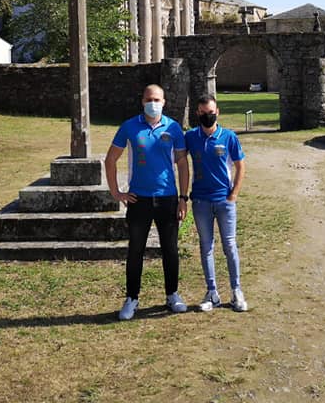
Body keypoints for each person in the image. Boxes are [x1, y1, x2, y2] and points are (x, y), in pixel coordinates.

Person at [104, 84, 190, 321]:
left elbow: (182, 163)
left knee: (170, 250)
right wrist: (117, 193)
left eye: (157, 99)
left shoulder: (173, 127)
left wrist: (183, 198)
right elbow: (111, 159)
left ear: (164, 102)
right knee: (135, 251)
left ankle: (172, 294)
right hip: (138, 199)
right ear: (142, 101)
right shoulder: (130, 126)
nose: (153, 103)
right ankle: (132, 298)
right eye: (149, 99)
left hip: (168, 198)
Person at [185, 93, 248, 312]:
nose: (207, 117)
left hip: (224, 200)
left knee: (229, 245)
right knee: (206, 247)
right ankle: (212, 292)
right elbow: (179, 159)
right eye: (203, 114)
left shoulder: (229, 137)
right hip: (201, 201)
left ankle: (236, 290)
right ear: (197, 114)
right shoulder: (191, 137)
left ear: (217, 112)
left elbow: (240, 166)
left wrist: (234, 195)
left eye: (211, 113)